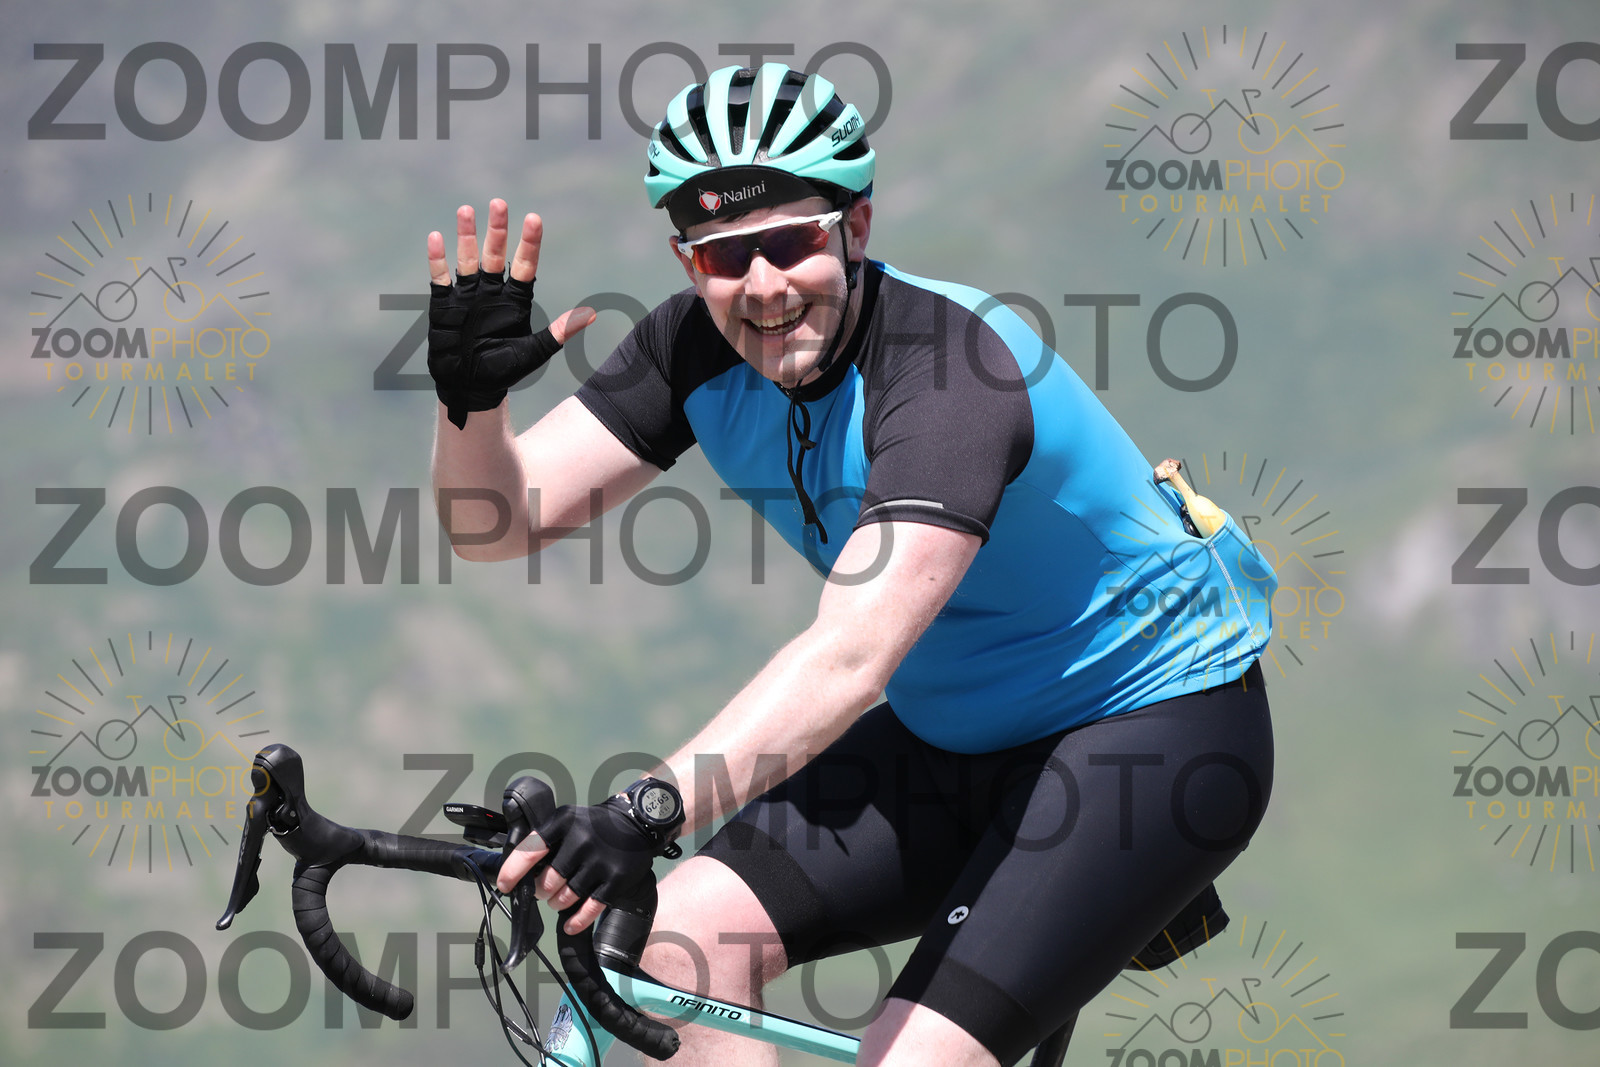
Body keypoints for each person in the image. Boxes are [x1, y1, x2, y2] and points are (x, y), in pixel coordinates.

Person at [429, 63, 1279, 1067]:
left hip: (1145, 736)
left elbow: (851, 657)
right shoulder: (689, 349)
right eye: (723, 256)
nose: (762, 286)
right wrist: (470, 404)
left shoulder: (947, 370)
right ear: (685, 261)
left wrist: (644, 811)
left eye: (792, 243)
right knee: (673, 944)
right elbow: (495, 521)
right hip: (950, 740)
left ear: (856, 229)